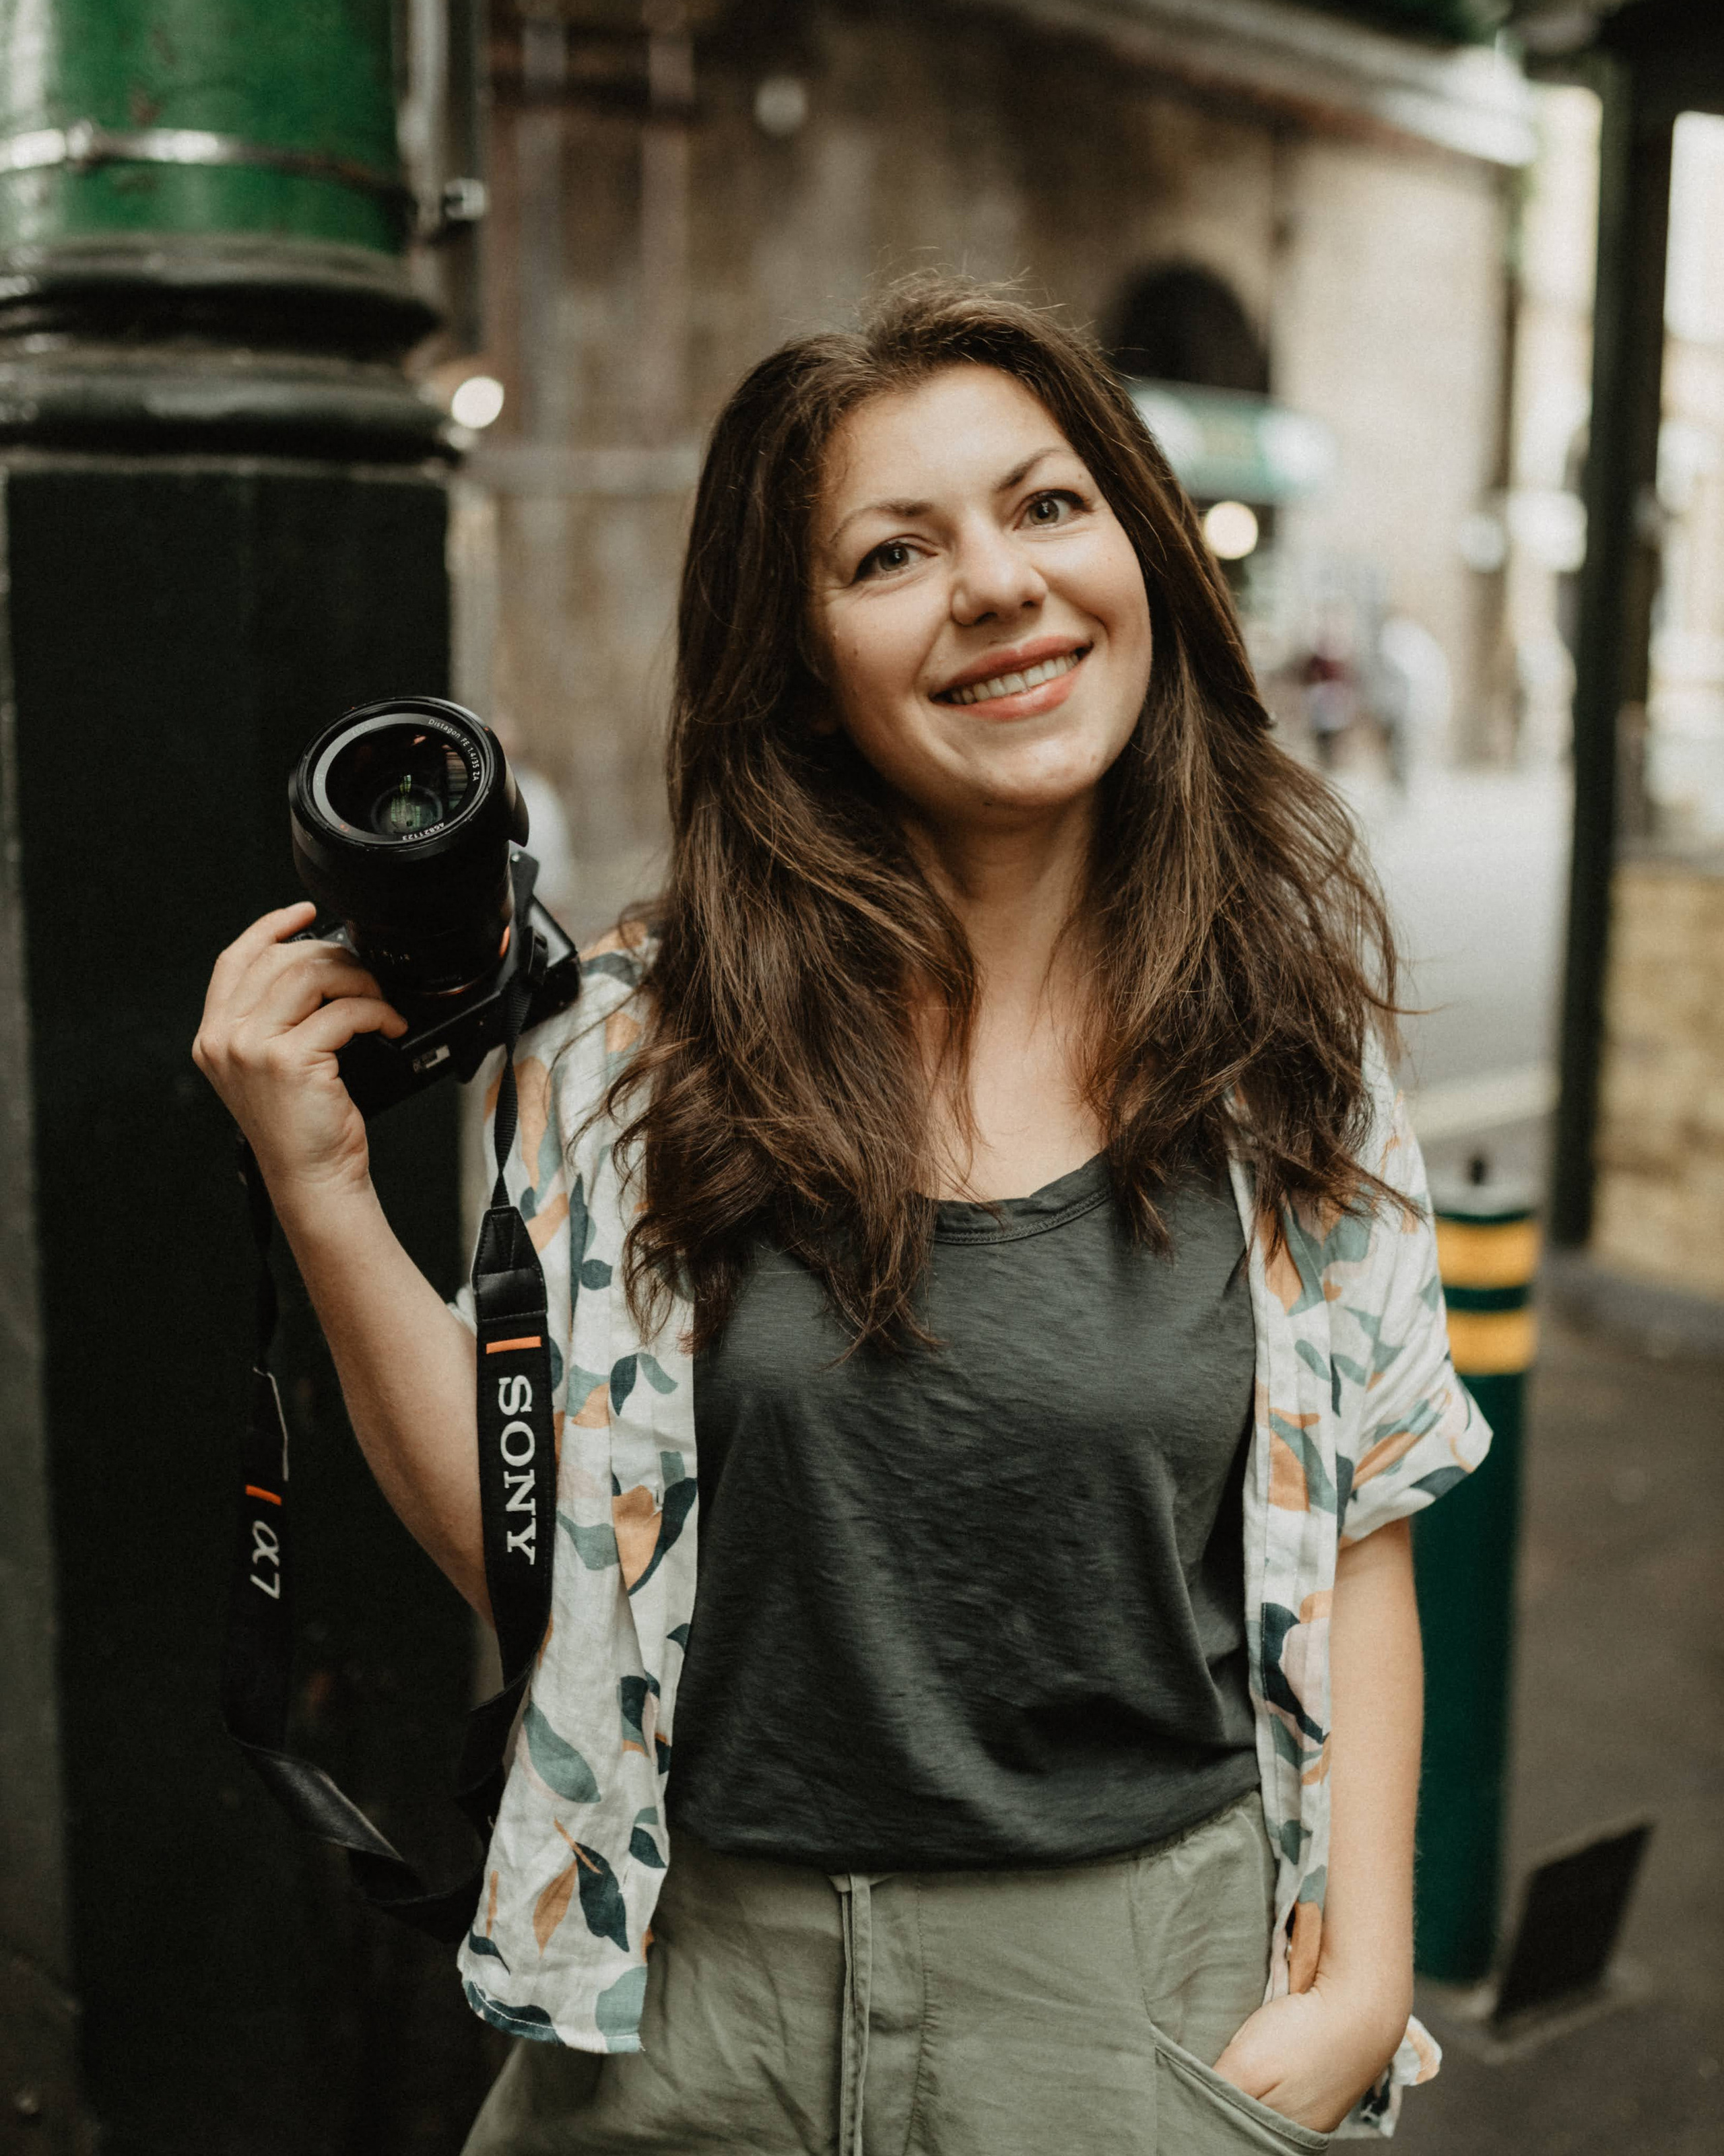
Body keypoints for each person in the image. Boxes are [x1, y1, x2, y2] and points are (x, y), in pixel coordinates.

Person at [194, 278, 1490, 2155]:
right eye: (895, 551)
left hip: (1133, 2006)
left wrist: (1365, 1971)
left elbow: (1366, 1524)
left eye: (1048, 506)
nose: (998, 584)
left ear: (1139, 552)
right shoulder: (632, 1050)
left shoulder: (1284, 1045)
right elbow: (535, 1570)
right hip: (691, 2004)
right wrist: (322, 1190)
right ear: (801, 660)